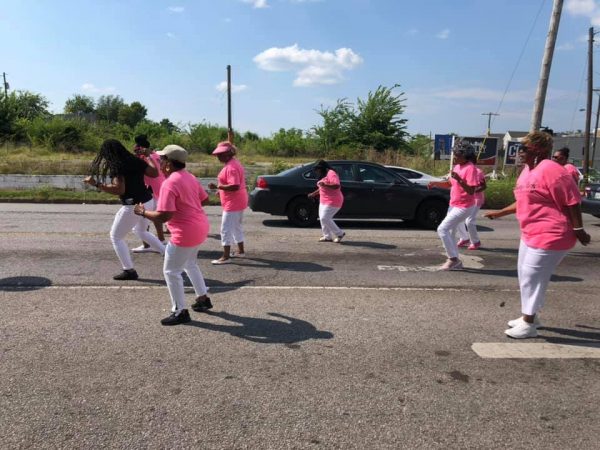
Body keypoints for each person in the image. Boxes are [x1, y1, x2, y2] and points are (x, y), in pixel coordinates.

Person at [484, 131, 590, 339]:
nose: (520, 151)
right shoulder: (526, 171)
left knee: (532, 277)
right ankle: (530, 316)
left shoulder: (552, 170)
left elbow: (572, 201)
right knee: (525, 275)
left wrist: (578, 229)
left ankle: (529, 323)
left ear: (539, 149)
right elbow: (525, 200)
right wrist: (500, 212)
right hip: (530, 232)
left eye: (525, 147)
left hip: (552, 232)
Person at [133, 144, 212, 326]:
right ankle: (203, 299)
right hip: (200, 226)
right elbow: (205, 199)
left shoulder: (170, 183)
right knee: (190, 264)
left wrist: (142, 212)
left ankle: (180, 311)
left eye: (161, 160)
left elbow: (163, 216)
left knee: (171, 271)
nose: (159, 163)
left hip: (185, 232)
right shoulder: (189, 176)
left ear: (168, 163)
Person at [84, 139, 165, 280]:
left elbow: (119, 189)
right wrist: (148, 157)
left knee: (116, 237)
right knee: (140, 230)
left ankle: (129, 270)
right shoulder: (135, 160)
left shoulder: (117, 166)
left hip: (132, 206)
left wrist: (96, 184)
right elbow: (154, 173)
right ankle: (167, 254)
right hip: (148, 200)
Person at [428, 141, 480, 270]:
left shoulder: (470, 168)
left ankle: (453, 259)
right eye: (454, 154)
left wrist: (460, 179)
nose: (454, 157)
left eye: (457, 154)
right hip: (454, 204)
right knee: (450, 233)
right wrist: (435, 183)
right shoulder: (457, 167)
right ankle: (455, 261)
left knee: (442, 229)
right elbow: (449, 184)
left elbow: (471, 191)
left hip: (465, 206)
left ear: (465, 155)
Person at [208, 141, 248, 265]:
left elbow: (235, 186)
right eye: (218, 155)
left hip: (233, 202)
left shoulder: (231, 167)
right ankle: (240, 251)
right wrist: (220, 190)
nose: (218, 157)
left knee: (225, 229)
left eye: (220, 154)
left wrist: (218, 187)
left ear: (227, 154)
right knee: (236, 227)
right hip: (237, 200)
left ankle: (226, 256)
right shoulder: (233, 163)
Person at [131, 134, 167, 253]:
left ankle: (149, 244)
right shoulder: (156, 155)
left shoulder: (146, 158)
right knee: (155, 218)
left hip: (152, 191)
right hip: (158, 189)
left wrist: (137, 156)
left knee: (144, 216)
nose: (135, 151)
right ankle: (159, 241)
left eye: (137, 149)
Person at [308, 160, 345, 243]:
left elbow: (336, 185)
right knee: (322, 218)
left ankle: (339, 233)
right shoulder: (324, 174)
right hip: (324, 200)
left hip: (333, 200)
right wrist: (313, 194)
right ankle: (327, 236)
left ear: (322, 168)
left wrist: (325, 185)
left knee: (325, 217)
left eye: (318, 170)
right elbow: (321, 187)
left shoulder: (331, 173)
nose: (317, 172)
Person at [456, 151, 487, 250]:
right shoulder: (460, 170)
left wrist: (473, 191)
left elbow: (483, 186)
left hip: (476, 199)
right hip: (465, 199)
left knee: (469, 221)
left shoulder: (478, 172)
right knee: (458, 218)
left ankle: (476, 241)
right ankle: (464, 238)